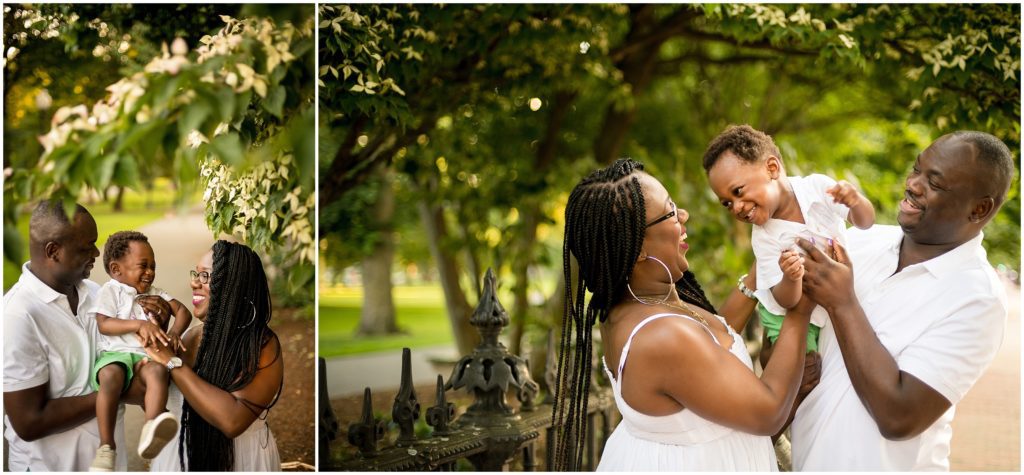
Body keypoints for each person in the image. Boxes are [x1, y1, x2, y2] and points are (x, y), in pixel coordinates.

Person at [552, 158, 815, 471]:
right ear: (638, 249)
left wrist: (758, 276)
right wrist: (800, 310)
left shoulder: (641, 301)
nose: (684, 215)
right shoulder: (662, 337)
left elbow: (710, 350)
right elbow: (769, 413)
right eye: (670, 212)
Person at [790, 131, 1014, 470]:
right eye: (916, 170)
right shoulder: (860, 243)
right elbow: (791, 334)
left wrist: (843, 302)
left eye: (935, 184)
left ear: (979, 209)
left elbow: (900, 416)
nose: (912, 185)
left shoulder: (978, 298)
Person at [3, 200, 170, 470]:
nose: (96, 252)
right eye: (86, 246)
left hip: (111, 465)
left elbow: (128, 351)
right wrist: (114, 391)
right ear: (53, 251)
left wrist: (157, 325)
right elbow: (29, 422)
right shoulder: (18, 316)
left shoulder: (95, 294)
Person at [704, 124, 875, 355]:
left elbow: (865, 222)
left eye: (738, 192)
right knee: (807, 368)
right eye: (727, 203)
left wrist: (855, 202)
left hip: (835, 289)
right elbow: (786, 300)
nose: (736, 208)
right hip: (785, 316)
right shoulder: (764, 238)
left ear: (772, 168)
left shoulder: (817, 188)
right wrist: (790, 277)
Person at [144, 240, 283, 471]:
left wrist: (172, 362)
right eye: (195, 274)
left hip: (241, 460)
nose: (194, 283)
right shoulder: (188, 338)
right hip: (179, 458)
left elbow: (233, 421)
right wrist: (159, 336)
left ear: (233, 286)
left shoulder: (261, 345)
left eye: (206, 276)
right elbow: (152, 403)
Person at [89, 231, 193, 470]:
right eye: (143, 266)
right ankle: (106, 447)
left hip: (146, 356)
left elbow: (183, 312)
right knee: (109, 376)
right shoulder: (111, 290)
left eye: (153, 266)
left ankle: (152, 427)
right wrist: (140, 324)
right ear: (117, 270)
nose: (150, 272)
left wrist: (175, 333)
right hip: (115, 356)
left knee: (159, 372)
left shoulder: (155, 292)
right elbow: (104, 324)